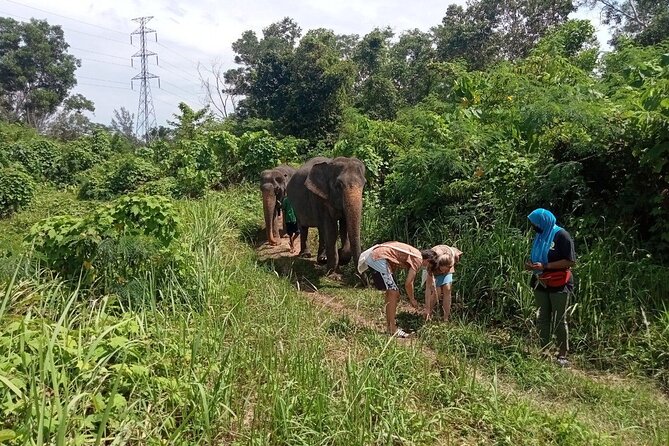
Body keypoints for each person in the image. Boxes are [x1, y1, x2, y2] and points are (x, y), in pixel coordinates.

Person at [525, 208, 576, 367]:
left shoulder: (561, 235)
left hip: (559, 283)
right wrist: (532, 266)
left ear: (544, 222)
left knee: (560, 319)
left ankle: (562, 355)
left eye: (536, 223)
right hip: (541, 281)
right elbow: (538, 256)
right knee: (543, 318)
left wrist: (546, 265)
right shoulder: (540, 235)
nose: (534, 227)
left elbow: (570, 261)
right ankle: (544, 351)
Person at [358, 241, 429, 338]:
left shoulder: (415, 253)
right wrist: (412, 299)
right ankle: (392, 328)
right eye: (429, 266)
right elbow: (408, 283)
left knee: (393, 292)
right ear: (428, 260)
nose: (427, 268)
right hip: (379, 257)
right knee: (393, 292)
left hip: (378, 256)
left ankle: (390, 326)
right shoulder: (419, 259)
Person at [422, 244, 462, 322]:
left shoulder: (453, 257)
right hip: (435, 267)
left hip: (447, 260)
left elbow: (454, 261)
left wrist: (446, 270)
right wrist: (427, 307)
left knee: (447, 288)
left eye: (445, 271)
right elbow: (428, 288)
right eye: (442, 270)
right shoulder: (431, 264)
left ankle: (445, 318)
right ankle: (428, 312)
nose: (443, 272)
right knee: (437, 292)